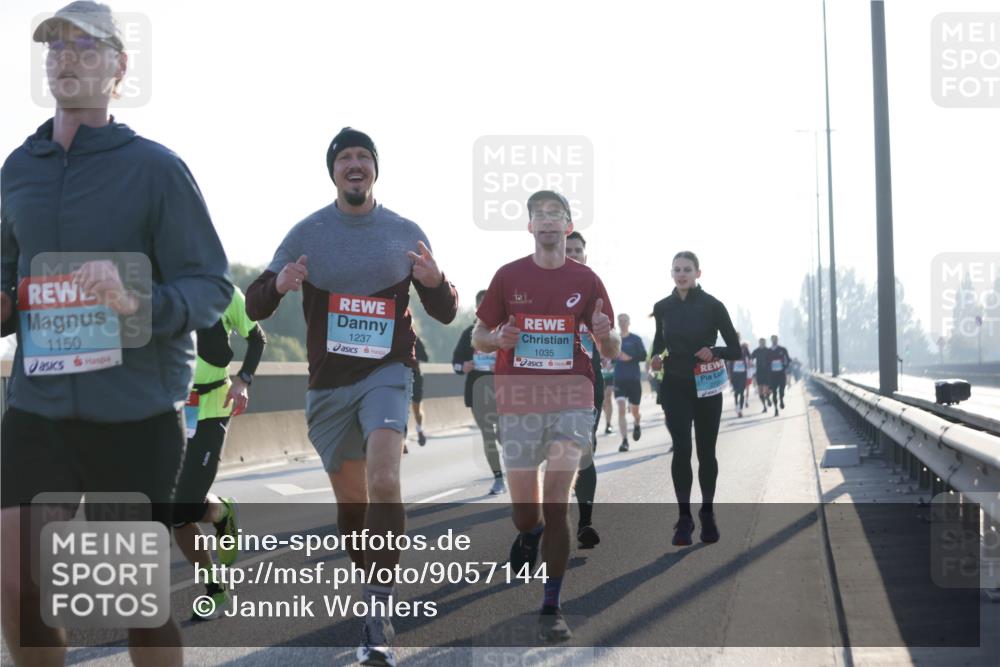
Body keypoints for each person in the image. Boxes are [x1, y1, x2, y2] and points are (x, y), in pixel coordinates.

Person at [0, 4, 231, 665]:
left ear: (119, 67)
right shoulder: (18, 168)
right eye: (55, 46)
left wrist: (137, 302)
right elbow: (7, 279)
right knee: (16, 583)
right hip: (37, 407)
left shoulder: (156, 169)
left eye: (86, 46)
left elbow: (210, 286)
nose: (65, 57)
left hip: (133, 415)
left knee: (130, 601)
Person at [245, 127, 458, 667]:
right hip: (328, 384)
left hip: (387, 372)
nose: (355, 163)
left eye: (364, 156)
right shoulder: (307, 232)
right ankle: (372, 589)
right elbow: (253, 305)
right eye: (345, 157)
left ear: (375, 170)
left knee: (384, 480)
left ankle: (378, 615)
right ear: (334, 171)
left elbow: (445, 311)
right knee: (352, 508)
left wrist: (437, 281)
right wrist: (280, 283)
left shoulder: (404, 232)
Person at [473, 191, 619, 641]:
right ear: (530, 226)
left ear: (568, 226)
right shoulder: (508, 276)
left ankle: (552, 605)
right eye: (540, 215)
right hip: (519, 398)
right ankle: (530, 531)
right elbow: (478, 335)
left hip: (573, 396)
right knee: (526, 513)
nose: (549, 221)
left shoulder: (587, 279)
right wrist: (497, 339)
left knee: (557, 500)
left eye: (557, 214)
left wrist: (605, 334)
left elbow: (611, 346)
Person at [174, 286, 265, 620]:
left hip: (211, 405)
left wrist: (243, 380)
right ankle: (216, 590)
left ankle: (222, 513)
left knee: (183, 504)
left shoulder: (223, 291)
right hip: (168, 408)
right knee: (174, 512)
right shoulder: (151, 290)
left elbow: (257, 338)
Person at [650, 251, 740, 546]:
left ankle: (708, 513)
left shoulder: (713, 305)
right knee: (681, 449)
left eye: (687, 269)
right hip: (674, 385)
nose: (682, 274)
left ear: (698, 273)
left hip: (706, 386)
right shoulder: (662, 307)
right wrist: (656, 356)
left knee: (706, 452)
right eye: (677, 269)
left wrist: (715, 351)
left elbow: (735, 349)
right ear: (671, 273)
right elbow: (659, 341)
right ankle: (684, 518)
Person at [565, 231, 602, 549]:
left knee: (583, 451)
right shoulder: (538, 286)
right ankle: (538, 525)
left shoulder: (594, 289)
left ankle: (585, 523)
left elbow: (611, 341)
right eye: (569, 250)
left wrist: (605, 335)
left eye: (578, 250)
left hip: (588, 383)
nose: (574, 254)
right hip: (546, 383)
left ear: (586, 256)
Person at [451, 290, 505, 495]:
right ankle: (498, 479)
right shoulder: (469, 333)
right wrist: (464, 366)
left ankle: (519, 470)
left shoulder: (505, 331)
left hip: (503, 392)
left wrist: (501, 367)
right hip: (477, 392)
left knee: (504, 435)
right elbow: (455, 363)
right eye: (482, 306)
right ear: (476, 309)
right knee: (488, 435)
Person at [613, 313, 647, 452]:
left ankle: (637, 423)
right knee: (621, 408)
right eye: (620, 321)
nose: (622, 323)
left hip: (633, 379)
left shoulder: (636, 339)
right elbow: (609, 355)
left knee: (635, 411)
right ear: (618, 323)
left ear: (629, 322)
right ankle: (624, 441)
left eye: (625, 320)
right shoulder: (614, 340)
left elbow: (644, 356)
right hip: (619, 379)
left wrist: (630, 358)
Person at [409, 335, 429, 450]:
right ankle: (402, 440)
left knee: (416, 410)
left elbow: (425, 357)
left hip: (415, 376)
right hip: (398, 376)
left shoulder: (415, 339)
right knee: (401, 408)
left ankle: (420, 429)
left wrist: (413, 359)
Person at [728, 341, 751, 418]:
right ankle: (736, 406)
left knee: (741, 392)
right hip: (735, 374)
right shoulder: (732, 349)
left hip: (743, 374)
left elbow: (750, 357)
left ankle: (740, 409)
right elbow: (729, 363)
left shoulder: (745, 349)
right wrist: (730, 376)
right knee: (736, 392)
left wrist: (749, 363)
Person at [750, 338, 773, 414]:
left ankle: (768, 397)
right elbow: (751, 358)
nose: (762, 343)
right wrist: (751, 364)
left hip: (767, 372)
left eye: (763, 342)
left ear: (765, 343)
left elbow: (773, 359)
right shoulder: (756, 351)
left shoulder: (768, 350)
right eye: (761, 342)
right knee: (760, 391)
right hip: (759, 372)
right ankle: (764, 406)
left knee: (767, 389)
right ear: (759, 343)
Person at [769, 335, 791, 411]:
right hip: (772, 374)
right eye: (773, 339)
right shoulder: (768, 351)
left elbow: (788, 359)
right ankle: (776, 409)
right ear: (771, 340)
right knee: (774, 392)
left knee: (782, 389)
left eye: (775, 339)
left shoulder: (783, 349)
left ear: (777, 340)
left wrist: (785, 366)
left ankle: (781, 399)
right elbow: (765, 362)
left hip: (781, 373)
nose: (774, 341)